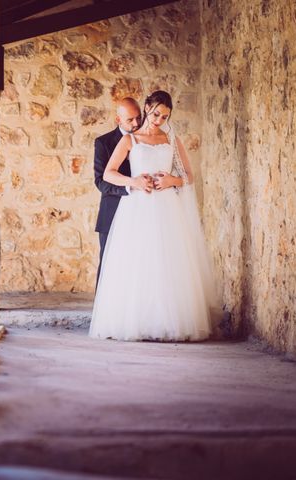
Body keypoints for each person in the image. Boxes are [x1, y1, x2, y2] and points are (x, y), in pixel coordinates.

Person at [89, 90, 220, 342]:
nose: (159, 119)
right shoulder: (130, 140)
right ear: (147, 107)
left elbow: (189, 177)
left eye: (164, 116)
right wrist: (133, 181)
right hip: (137, 207)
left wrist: (172, 180)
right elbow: (108, 174)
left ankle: (168, 322)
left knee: (167, 262)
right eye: (156, 113)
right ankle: (135, 321)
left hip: (167, 208)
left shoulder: (172, 140)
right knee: (137, 262)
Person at [93, 98, 153, 287]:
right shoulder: (103, 143)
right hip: (112, 212)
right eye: (130, 120)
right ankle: (102, 314)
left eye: (139, 118)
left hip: (142, 211)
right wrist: (130, 186)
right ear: (118, 119)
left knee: (139, 264)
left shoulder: (149, 138)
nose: (136, 124)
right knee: (109, 264)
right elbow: (101, 182)